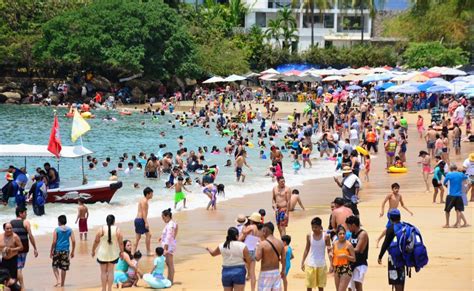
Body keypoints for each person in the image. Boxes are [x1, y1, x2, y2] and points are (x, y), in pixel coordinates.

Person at [206, 227, 250, 291]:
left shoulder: (222, 245)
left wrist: (208, 249)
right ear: (237, 236)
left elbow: (213, 254)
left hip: (226, 272)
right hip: (239, 271)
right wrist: (249, 273)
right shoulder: (242, 246)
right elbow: (249, 261)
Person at [91, 215, 123, 291]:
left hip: (102, 254)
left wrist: (93, 250)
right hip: (113, 254)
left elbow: (96, 241)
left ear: (106, 221)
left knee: (103, 272)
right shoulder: (117, 230)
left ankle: (103, 289)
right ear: (114, 221)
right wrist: (122, 252)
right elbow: (121, 243)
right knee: (111, 271)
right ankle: (109, 289)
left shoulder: (101, 229)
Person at [10, 206, 38, 290]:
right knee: (19, 268)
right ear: (20, 213)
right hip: (23, 249)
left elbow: (8, 236)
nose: (26, 214)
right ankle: (22, 287)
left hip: (13, 248)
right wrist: (35, 248)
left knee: (16, 268)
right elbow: (30, 236)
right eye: (25, 213)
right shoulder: (26, 222)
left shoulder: (10, 223)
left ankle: (14, 285)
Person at [377, 209, 405, 291]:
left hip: (393, 257)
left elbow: (385, 243)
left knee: (395, 278)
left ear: (390, 218)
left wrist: (380, 256)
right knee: (401, 276)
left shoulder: (391, 228)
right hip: (403, 256)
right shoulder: (404, 226)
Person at [301, 217, 331, 291]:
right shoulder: (309, 235)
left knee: (321, 287)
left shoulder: (326, 236)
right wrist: (302, 261)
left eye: (316, 227)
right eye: (312, 227)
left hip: (322, 264)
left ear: (320, 227)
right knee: (309, 286)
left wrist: (332, 264)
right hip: (311, 264)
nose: (314, 229)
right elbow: (306, 249)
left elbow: (329, 250)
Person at [255, 222, 285, 291]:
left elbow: (257, 258)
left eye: (262, 231)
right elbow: (283, 259)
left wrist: (255, 248)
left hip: (265, 273)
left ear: (265, 231)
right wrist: (283, 270)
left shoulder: (262, 244)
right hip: (276, 272)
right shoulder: (280, 242)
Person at [50, 215, 75, 287]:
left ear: (59, 222)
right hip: (66, 251)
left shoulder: (57, 230)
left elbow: (54, 241)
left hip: (57, 250)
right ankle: (62, 284)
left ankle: (58, 280)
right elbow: (73, 241)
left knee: (54, 266)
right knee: (64, 268)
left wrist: (51, 250)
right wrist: (73, 251)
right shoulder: (70, 230)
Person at [346, 216, 369, 291]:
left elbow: (358, 249)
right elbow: (348, 244)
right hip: (352, 263)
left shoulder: (362, 234)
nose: (348, 228)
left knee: (358, 285)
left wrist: (345, 250)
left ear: (353, 225)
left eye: (348, 226)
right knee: (350, 286)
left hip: (360, 263)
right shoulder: (352, 234)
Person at [239, 212, 261, 291]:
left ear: (252, 220)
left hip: (246, 250)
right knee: (252, 273)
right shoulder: (258, 230)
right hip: (253, 250)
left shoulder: (251, 226)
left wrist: (244, 227)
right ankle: (252, 289)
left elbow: (244, 233)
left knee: (243, 270)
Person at [332, 225, 355, 291]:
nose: (342, 235)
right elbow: (333, 255)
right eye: (340, 234)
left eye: (343, 234)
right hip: (336, 268)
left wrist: (345, 256)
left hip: (346, 268)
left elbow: (354, 259)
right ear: (337, 235)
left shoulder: (349, 245)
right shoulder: (334, 244)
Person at [160, 208, 178, 283]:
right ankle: (169, 279)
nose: (163, 219)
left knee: (169, 263)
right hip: (170, 245)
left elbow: (169, 235)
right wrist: (161, 237)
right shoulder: (172, 223)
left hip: (169, 246)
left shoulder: (170, 224)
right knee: (168, 263)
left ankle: (170, 280)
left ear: (167, 216)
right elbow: (175, 231)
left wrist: (166, 247)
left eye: (163, 218)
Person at [134, 187, 153, 255]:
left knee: (138, 238)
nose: (152, 195)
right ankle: (148, 251)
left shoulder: (142, 200)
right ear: (148, 194)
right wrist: (146, 222)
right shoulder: (144, 201)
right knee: (149, 235)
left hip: (137, 220)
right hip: (141, 220)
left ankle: (132, 252)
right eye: (151, 193)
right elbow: (144, 213)